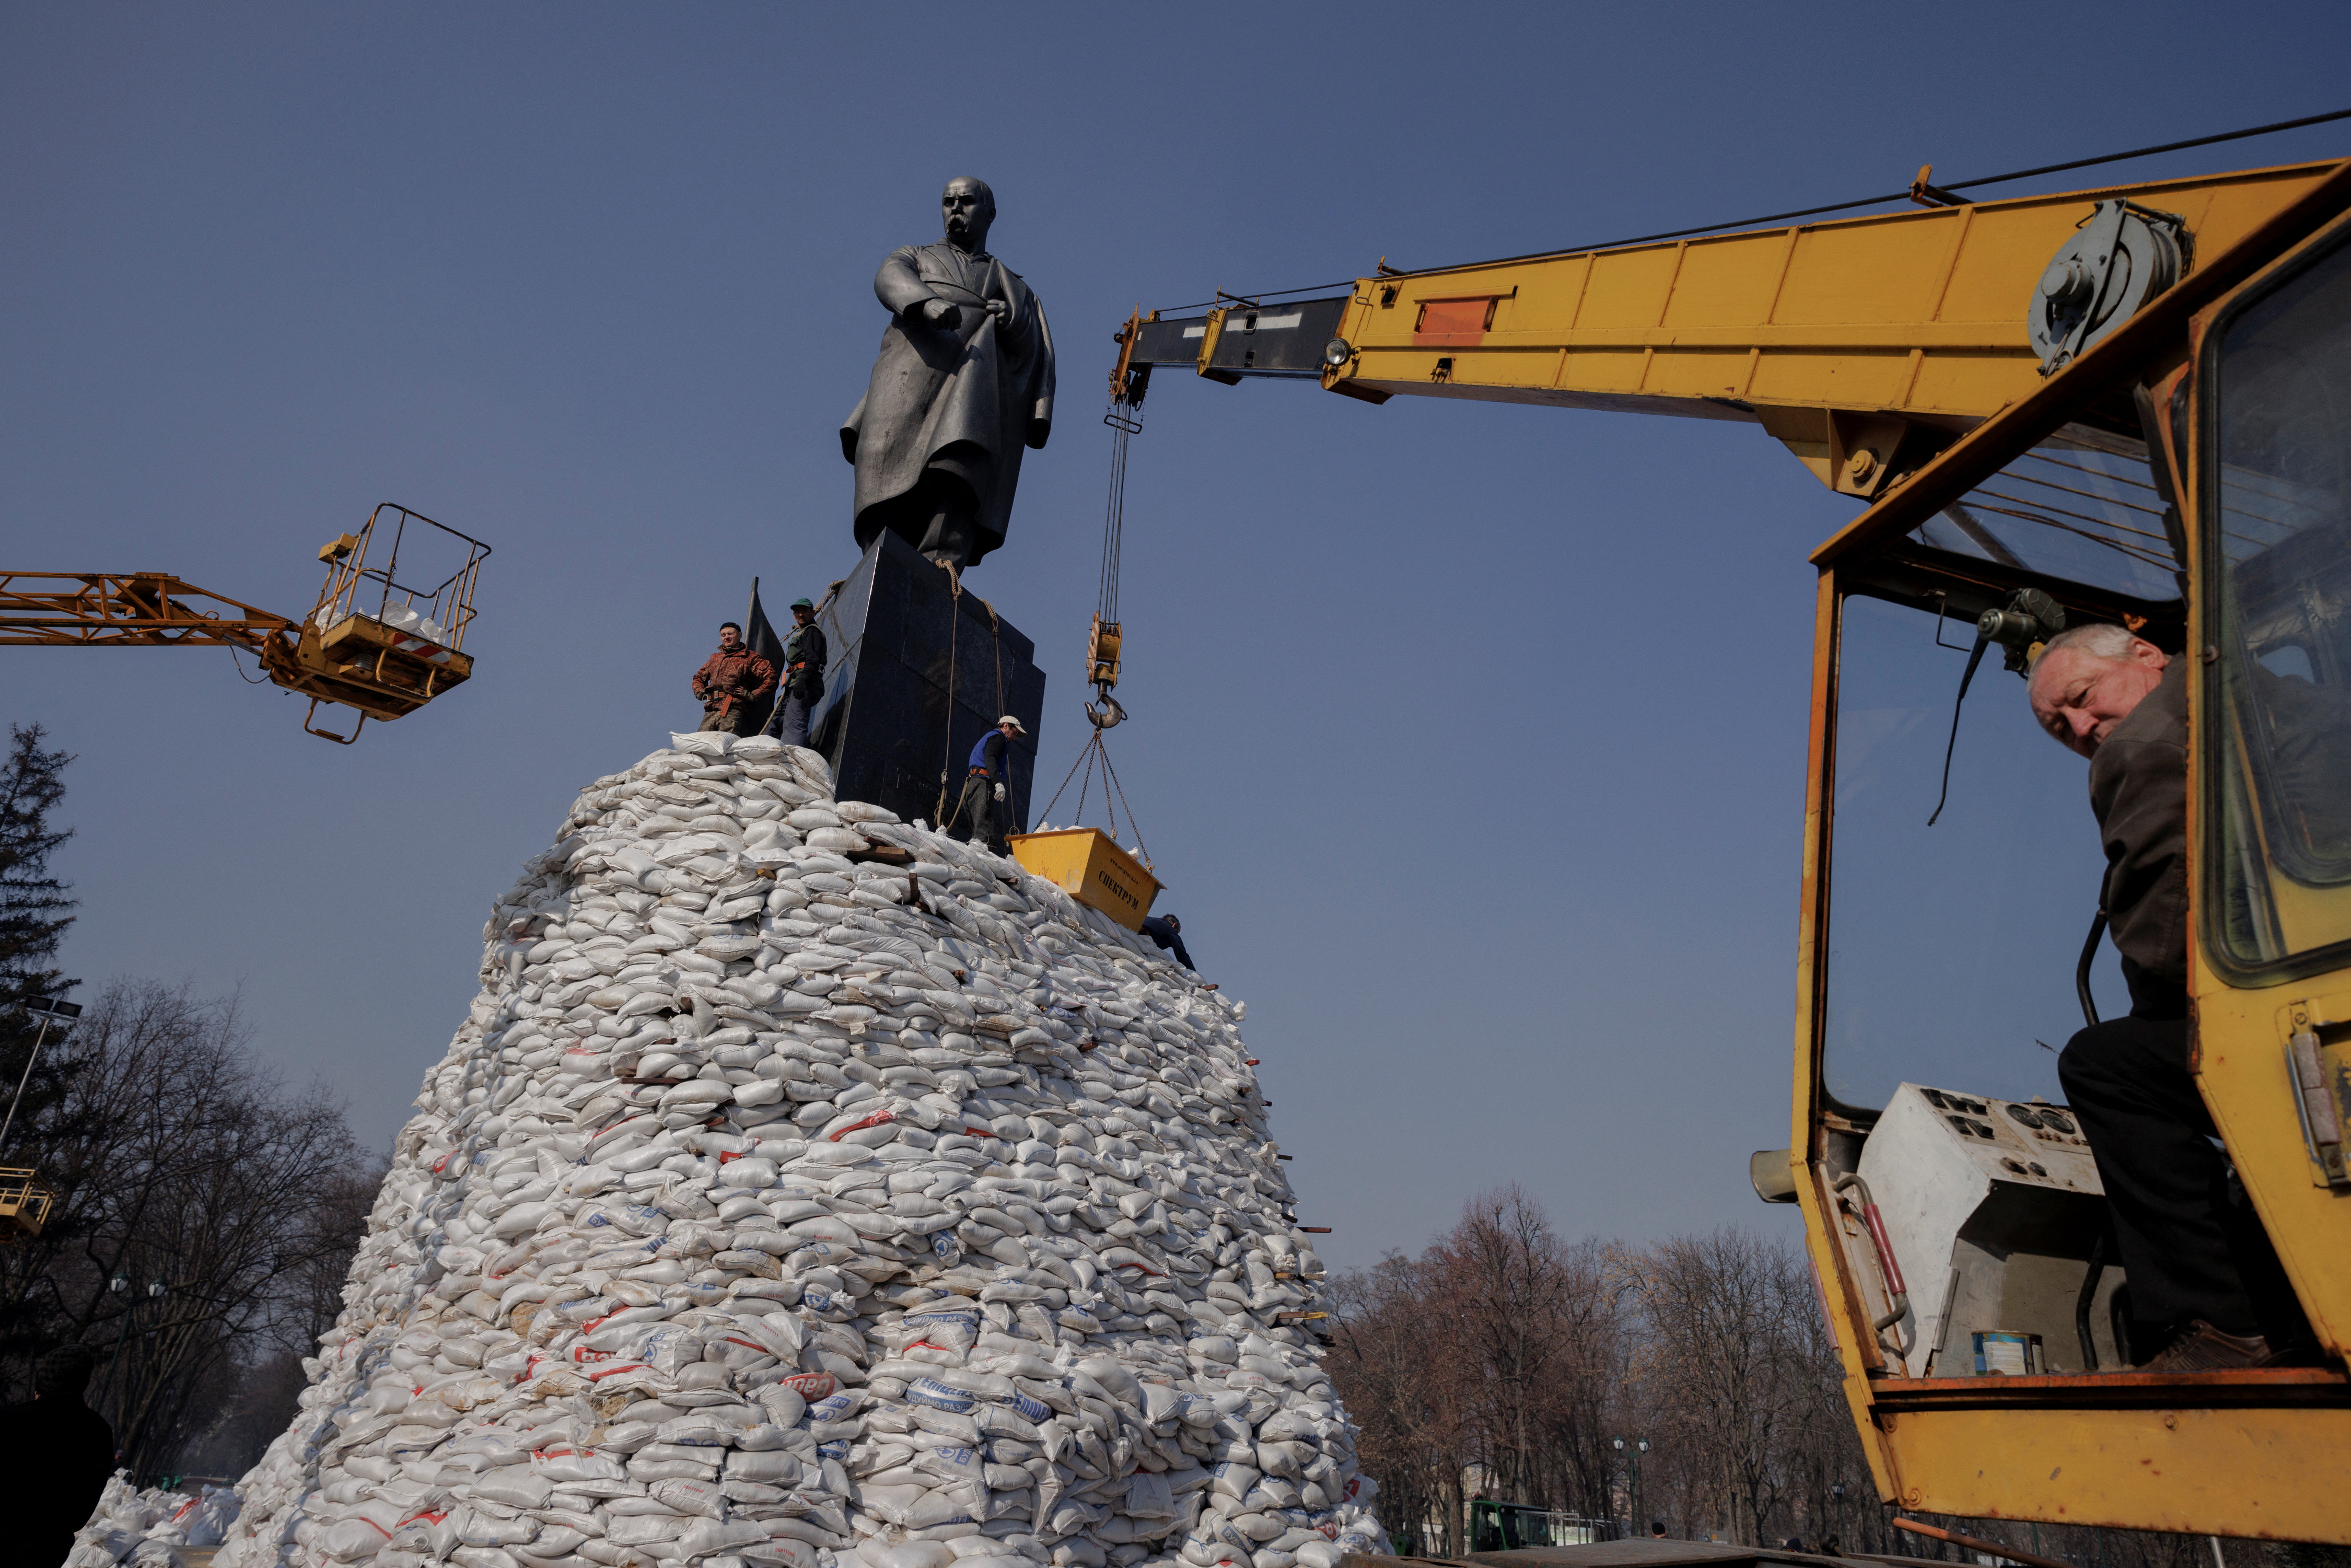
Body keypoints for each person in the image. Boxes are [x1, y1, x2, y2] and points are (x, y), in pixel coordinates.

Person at [2029, 623, 2311, 1369]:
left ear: (2147, 654)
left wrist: (2157, 1009)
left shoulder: (2146, 743)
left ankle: (2212, 1323)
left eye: (2082, 698)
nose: (2085, 729)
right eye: (2063, 728)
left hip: (2296, 1006)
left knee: (2110, 1065)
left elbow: (2164, 929)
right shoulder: (2268, 693)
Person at [841, 177, 1056, 571]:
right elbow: (888, 276)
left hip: (974, 382)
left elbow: (1034, 350)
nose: (955, 209)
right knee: (883, 463)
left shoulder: (1015, 288)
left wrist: (1012, 323)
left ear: (990, 214)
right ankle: (880, 559)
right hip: (910, 373)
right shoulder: (917, 256)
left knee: (957, 470)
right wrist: (927, 303)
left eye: (967, 201)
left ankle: (940, 564)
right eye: (948, 202)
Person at [0, 1343, 116, 1565]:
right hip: (47, 1548)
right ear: (84, 1382)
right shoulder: (97, 1430)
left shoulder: (9, 1421)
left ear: (40, 1386)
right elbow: (79, 1514)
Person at [691, 621, 775, 736]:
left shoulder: (750, 658)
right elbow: (698, 678)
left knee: (726, 743)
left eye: (730, 634)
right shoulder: (715, 658)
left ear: (740, 635)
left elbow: (771, 678)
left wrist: (754, 695)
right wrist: (699, 692)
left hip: (732, 709)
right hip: (711, 708)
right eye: (723, 635)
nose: (727, 637)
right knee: (701, 743)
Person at [765, 598, 828, 750]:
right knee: (774, 722)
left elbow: (812, 660)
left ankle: (792, 761)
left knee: (794, 724)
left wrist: (803, 681)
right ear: (794, 615)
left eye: (805, 611)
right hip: (793, 685)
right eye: (798, 612)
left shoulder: (811, 631)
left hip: (804, 683)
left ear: (813, 613)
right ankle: (765, 753)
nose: (801, 614)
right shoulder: (801, 632)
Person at [956, 714, 1025, 849]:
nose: (1014, 738)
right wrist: (998, 782)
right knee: (984, 828)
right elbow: (991, 757)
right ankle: (983, 854)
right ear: (1006, 726)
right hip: (982, 782)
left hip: (974, 782)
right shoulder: (999, 738)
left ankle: (977, 853)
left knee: (977, 825)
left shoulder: (988, 737)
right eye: (1014, 732)